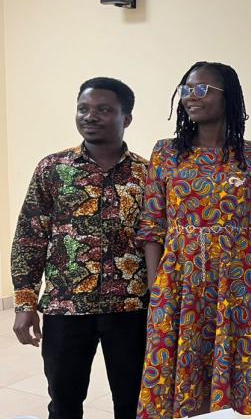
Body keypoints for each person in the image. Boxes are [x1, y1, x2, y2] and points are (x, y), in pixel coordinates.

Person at [136, 61, 251, 418]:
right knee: (180, 370)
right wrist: (157, 283)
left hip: (237, 282)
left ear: (226, 96)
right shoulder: (166, 153)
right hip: (179, 280)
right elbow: (153, 224)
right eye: (186, 89)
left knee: (231, 374)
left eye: (201, 89)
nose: (190, 97)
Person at [10, 77, 148, 419]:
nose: (90, 116)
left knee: (133, 402)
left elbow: (158, 240)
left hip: (130, 307)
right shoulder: (52, 168)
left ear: (126, 118)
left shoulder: (148, 174)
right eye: (83, 109)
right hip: (65, 307)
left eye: (103, 110)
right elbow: (30, 236)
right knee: (64, 402)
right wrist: (25, 303)